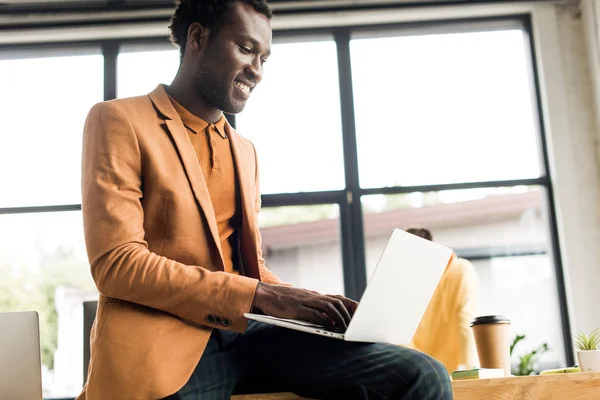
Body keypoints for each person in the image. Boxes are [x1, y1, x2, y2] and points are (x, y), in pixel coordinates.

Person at [78, 1, 452, 399]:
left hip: (250, 336)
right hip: (164, 345)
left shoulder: (245, 151)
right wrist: (261, 297)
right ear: (198, 38)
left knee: (423, 375)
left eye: (264, 57)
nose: (257, 69)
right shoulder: (119, 120)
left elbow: (248, 267)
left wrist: (315, 307)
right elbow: (117, 265)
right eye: (245, 48)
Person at [405, 227, 480, 373]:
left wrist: (473, 371)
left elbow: (465, 323)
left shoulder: (460, 271)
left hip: (447, 373)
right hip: (426, 373)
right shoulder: (407, 281)